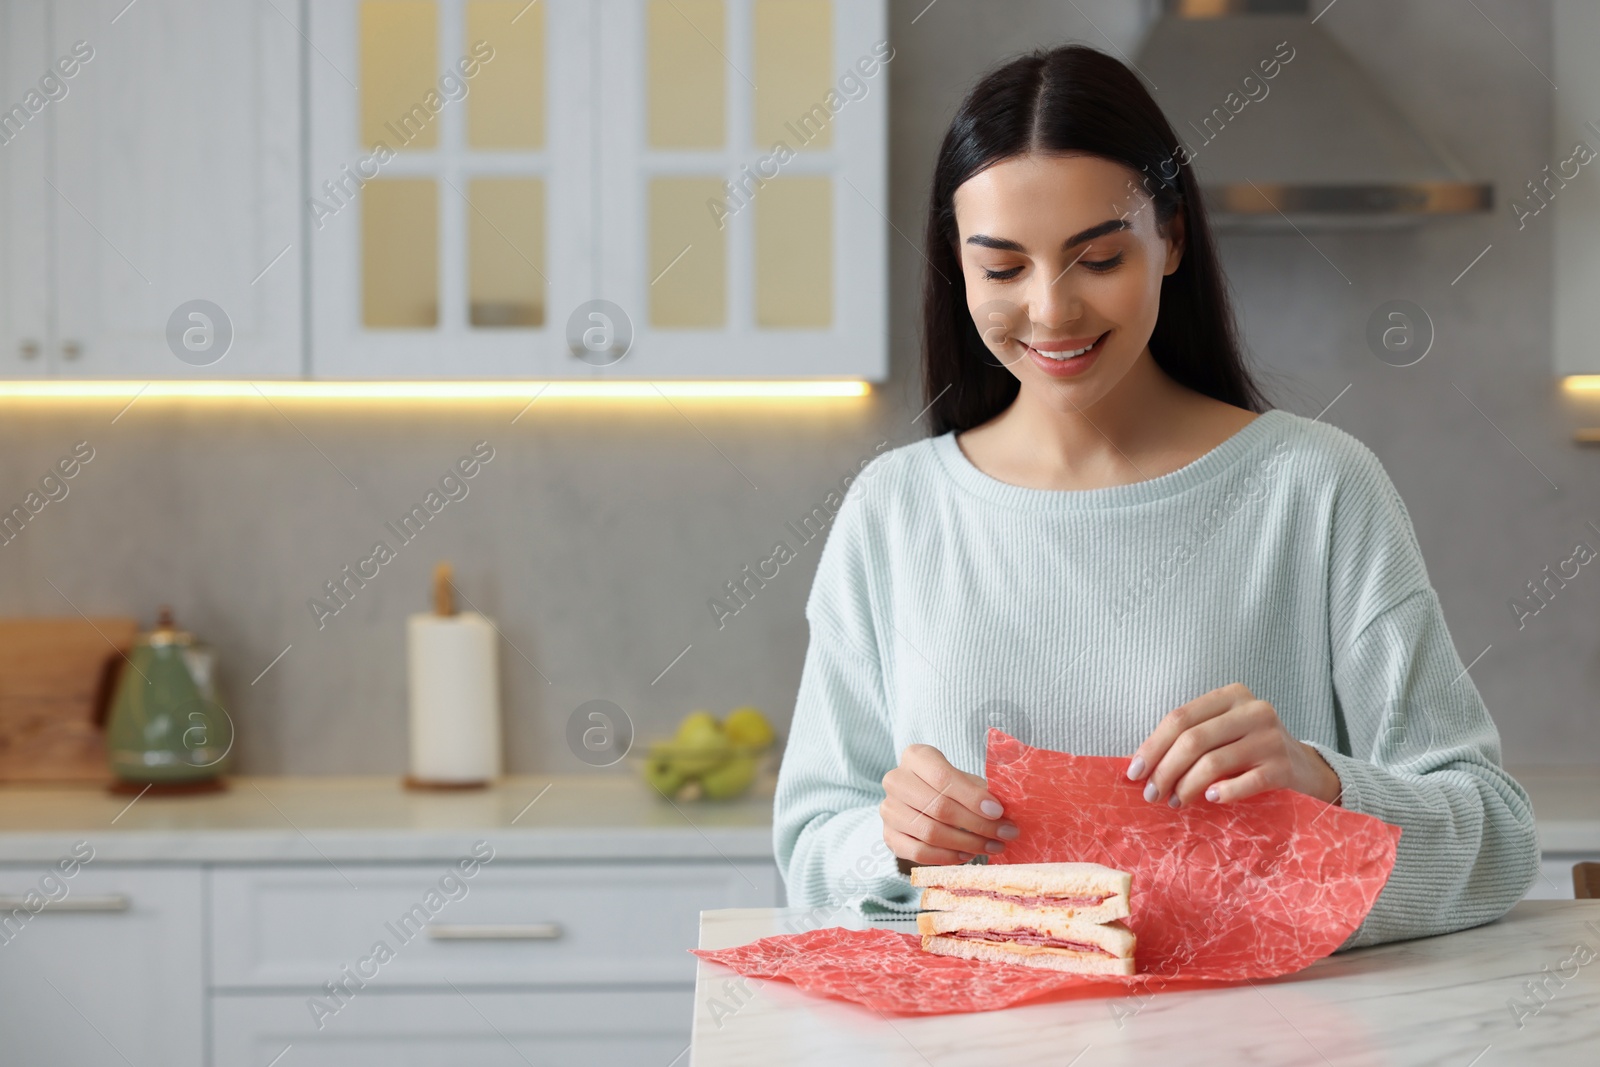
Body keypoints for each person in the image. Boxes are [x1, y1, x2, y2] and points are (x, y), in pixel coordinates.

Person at [771, 44, 1538, 948]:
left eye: (1098, 257)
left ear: (1170, 239)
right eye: (1004, 268)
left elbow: (1496, 836)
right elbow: (811, 852)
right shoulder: (892, 512)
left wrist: (1323, 782)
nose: (1052, 312)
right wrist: (891, 843)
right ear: (957, 265)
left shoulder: (1316, 487)